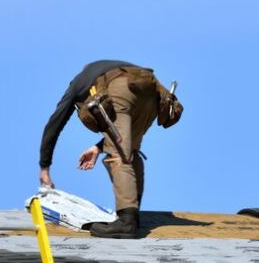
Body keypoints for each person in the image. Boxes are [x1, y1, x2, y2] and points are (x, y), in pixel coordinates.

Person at [38, 60, 173, 239]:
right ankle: (133, 215)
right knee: (130, 150)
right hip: (153, 90)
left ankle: (126, 222)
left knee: (118, 155)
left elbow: (55, 123)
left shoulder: (78, 82)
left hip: (121, 86)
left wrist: (44, 167)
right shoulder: (109, 68)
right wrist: (97, 147)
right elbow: (123, 138)